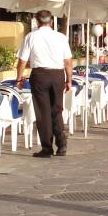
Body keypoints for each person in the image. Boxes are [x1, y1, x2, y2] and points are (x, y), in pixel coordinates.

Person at [16, 9, 73, 158]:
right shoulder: (61, 37)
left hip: (40, 75)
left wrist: (19, 78)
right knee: (57, 109)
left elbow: (22, 60)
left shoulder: (31, 37)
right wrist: (69, 80)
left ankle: (47, 148)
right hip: (57, 75)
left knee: (43, 112)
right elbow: (68, 61)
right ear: (51, 21)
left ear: (37, 20)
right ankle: (62, 145)